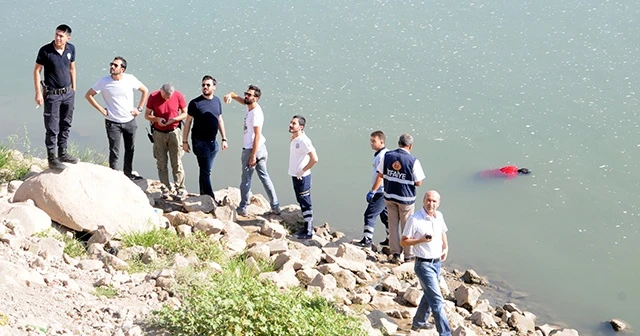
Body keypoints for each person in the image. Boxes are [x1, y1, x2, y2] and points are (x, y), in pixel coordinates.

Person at [85, 56, 149, 180]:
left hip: (129, 121)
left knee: (130, 148)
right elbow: (89, 95)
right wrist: (102, 110)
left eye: (115, 65)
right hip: (112, 122)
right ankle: (114, 176)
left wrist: (139, 109)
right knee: (114, 150)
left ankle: (128, 173)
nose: (112, 67)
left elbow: (145, 90)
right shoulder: (104, 81)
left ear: (122, 69)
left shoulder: (130, 79)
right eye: (111, 64)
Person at [223, 85, 280, 216]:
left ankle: (243, 207)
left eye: (249, 95)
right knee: (264, 177)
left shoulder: (255, 114)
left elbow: (257, 135)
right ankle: (275, 206)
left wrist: (253, 155)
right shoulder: (250, 106)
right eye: (246, 94)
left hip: (252, 149)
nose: (246, 96)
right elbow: (243, 101)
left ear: (256, 98)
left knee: (246, 179)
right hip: (259, 148)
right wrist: (231, 94)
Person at [400, 190, 451, 335]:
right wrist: (420, 240)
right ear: (423, 201)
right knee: (437, 301)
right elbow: (403, 241)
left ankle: (418, 323)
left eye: (434, 201)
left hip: (436, 263)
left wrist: (445, 247)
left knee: (428, 295)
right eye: (428, 200)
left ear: (438, 203)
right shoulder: (415, 220)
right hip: (423, 264)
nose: (431, 204)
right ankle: (445, 334)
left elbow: (442, 232)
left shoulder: (439, 216)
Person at [370, 133, 425, 264]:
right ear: (410, 146)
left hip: (389, 196)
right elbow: (419, 182)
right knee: (407, 226)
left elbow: (381, 173)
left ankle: (395, 253)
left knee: (393, 225)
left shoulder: (387, 156)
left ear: (398, 143)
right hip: (406, 199)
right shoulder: (413, 161)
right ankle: (408, 255)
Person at [33, 24, 78, 170]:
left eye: (61, 36)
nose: (58, 38)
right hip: (53, 95)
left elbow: (72, 68)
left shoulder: (71, 49)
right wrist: (38, 92)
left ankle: (63, 153)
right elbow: (37, 70)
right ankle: (52, 158)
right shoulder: (45, 50)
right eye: (56, 35)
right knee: (52, 127)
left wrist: (74, 88)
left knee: (66, 124)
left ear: (68, 37)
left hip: (68, 93)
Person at [183, 76, 228, 202]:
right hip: (199, 142)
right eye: (203, 85)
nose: (205, 87)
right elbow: (188, 123)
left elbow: (219, 119)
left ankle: (203, 195)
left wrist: (224, 138)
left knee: (205, 170)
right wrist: (184, 142)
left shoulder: (217, 101)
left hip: (213, 143)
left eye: (208, 85)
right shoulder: (195, 103)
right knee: (206, 171)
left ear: (214, 87)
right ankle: (210, 198)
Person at [144, 83, 188, 198]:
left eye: (170, 96)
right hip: (158, 134)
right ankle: (165, 188)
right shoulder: (153, 96)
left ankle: (180, 188)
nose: (167, 98)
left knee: (177, 161)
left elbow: (185, 113)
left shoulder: (178, 96)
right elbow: (147, 115)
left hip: (174, 132)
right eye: (165, 96)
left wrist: (174, 120)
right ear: (161, 91)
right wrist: (157, 119)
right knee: (161, 162)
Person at [354, 130, 389, 248]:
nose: (371, 143)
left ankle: (367, 240)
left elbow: (381, 175)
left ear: (382, 141)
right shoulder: (382, 154)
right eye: (371, 141)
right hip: (386, 191)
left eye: (374, 141)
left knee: (369, 214)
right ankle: (390, 239)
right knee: (385, 216)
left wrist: (372, 191)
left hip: (381, 191)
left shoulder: (382, 156)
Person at [288, 115, 319, 239]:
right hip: (295, 176)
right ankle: (305, 227)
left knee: (306, 202)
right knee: (301, 201)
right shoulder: (295, 138)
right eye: (291, 122)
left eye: (294, 123)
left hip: (303, 177)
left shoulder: (304, 140)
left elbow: (315, 159)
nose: (290, 125)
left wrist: (303, 170)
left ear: (301, 127)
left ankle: (309, 231)